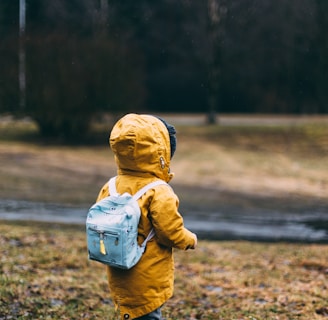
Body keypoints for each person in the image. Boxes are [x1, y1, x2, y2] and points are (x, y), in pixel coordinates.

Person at [96, 113, 198, 320]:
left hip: (118, 269)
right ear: (161, 154)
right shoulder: (159, 191)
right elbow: (170, 232)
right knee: (148, 314)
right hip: (147, 274)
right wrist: (190, 239)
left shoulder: (112, 186)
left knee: (133, 313)